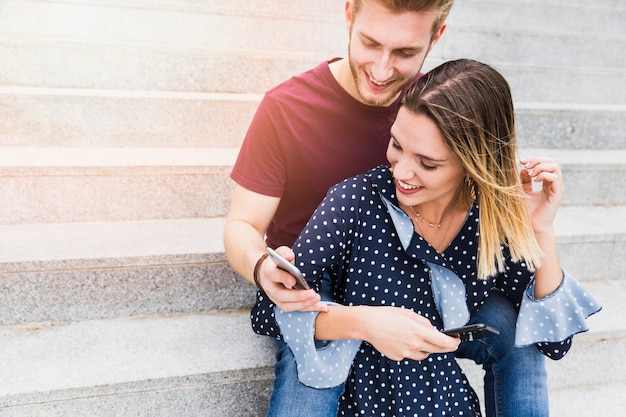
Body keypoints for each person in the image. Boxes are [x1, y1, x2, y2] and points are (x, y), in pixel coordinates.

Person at [225, 0, 553, 416]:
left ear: (437, 36)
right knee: (313, 370)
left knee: (524, 322)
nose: (382, 70)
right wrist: (261, 267)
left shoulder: (435, 106)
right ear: (349, 15)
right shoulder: (287, 107)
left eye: (404, 53)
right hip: (317, 283)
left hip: (416, 275)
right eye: (370, 43)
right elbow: (242, 222)